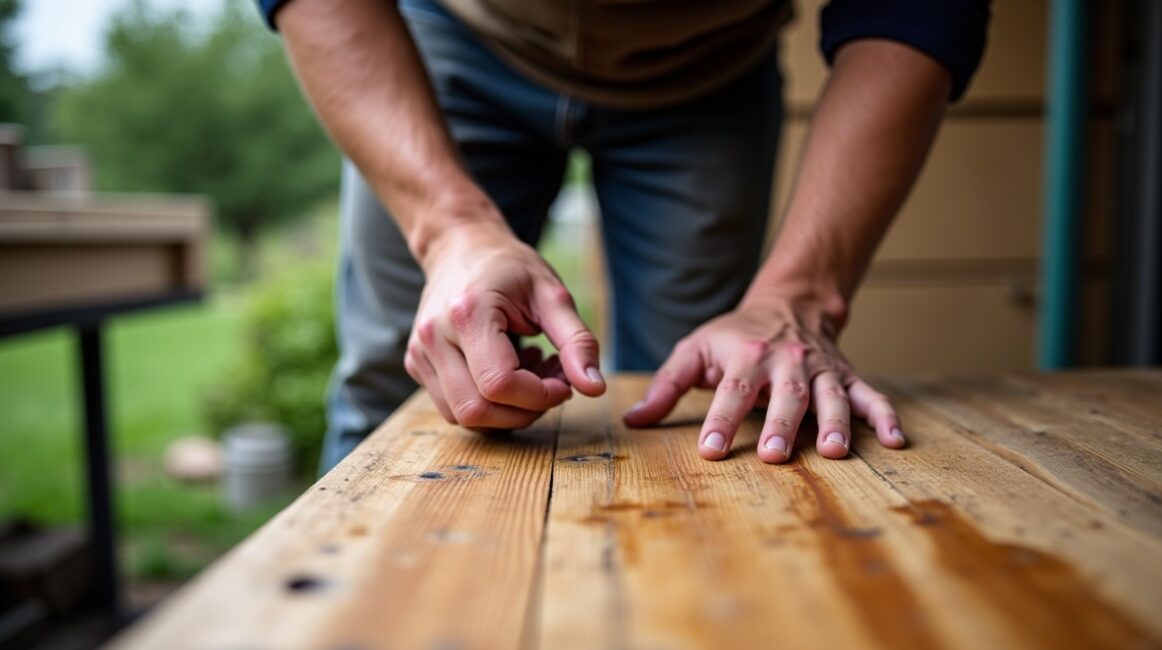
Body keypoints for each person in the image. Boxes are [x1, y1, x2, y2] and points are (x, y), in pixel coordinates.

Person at [258, 0, 991, 473]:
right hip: (441, 38)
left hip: (709, 64)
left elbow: (916, 11)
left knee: (701, 414)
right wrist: (450, 229)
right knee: (403, 385)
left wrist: (799, 295)